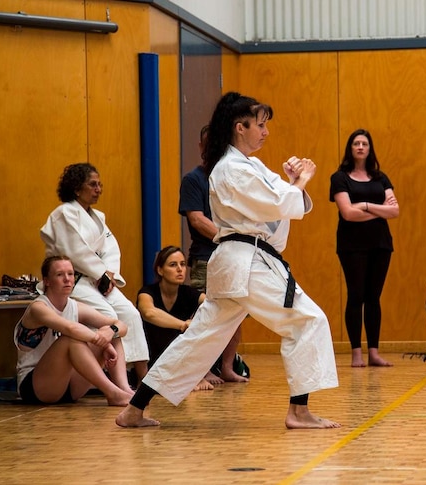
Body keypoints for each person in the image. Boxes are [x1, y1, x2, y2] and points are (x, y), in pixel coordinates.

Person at [116, 91, 340, 429]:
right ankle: (299, 412)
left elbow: (284, 202)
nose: (265, 132)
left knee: (199, 340)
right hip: (245, 263)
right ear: (240, 127)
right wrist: (301, 181)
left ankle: (134, 409)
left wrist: (294, 184)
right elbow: (280, 203)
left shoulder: (247, 165)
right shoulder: (231, 168)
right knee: (307, 320)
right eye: (260, 126)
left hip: (236, 264)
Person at [40, 163, 149, 383]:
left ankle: (142, 375)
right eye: (92, 184)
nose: (98, 189)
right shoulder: (63, 214)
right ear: (77, 189)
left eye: (100, 184)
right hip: (72, 280)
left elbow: (111, 248)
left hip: (98, 280)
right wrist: (101, 273)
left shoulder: (98, 216)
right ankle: (114, 379)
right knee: (108, 314)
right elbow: (74, 249)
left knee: (130, 313)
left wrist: (109, 274)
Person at [14, 256, 134, 406]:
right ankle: (112, 393)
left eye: (70, 274)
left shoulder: (76, 306)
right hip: (36, 387)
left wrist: (111, 332)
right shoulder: (38, 308)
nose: (67, 279)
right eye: (60, 274)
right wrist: (103, 342)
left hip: (69, 386)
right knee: (70, 339)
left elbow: (121, 324)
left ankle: (124, 389)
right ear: (47, 281)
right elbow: (70, 328)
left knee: (111, 332)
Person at [178, 125, 246, 383]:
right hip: (206, 258)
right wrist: (230, 236)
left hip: (235, 258)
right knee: (205, 316)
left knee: (236, 315)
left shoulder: (234, 178)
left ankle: (227, 367)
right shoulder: (194, 180)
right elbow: (197, 219)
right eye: (208, 144)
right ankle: (201, 370)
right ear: (201, 147)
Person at [329, 128, 399, 367]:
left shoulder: (381, 178)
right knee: (356, 295)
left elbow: (395, 211)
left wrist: (367, 205)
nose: (360, 147)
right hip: (352, 245)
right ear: (350, 148)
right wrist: (380, 212)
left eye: (364, 144)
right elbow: (347, 213)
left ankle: (374, 353)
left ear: (370, 149)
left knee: (373, 298)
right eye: (356, 143)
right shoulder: (340, 177)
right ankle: (356, 353)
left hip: (380, 243)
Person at [136, 246, 214, 391]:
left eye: (183, 264)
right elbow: (149, 313)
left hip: (178, 359)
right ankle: (144, 382)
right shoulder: (147, 292)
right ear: (160, 270)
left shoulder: (189, 293)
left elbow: (214, 307)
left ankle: (199, 374)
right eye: (173, 265)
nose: (180, 269)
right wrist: (183, 324)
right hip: (151, 356)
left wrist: (197, 322)